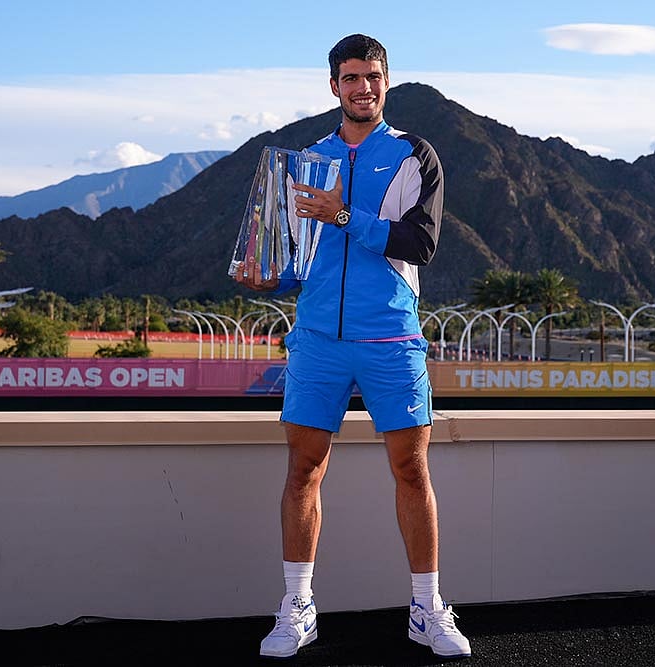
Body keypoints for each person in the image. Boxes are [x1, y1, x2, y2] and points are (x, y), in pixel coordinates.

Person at [235, 33, 471, 660]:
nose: (362, 87)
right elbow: (297, 262)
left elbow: (419, 244)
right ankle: (297, 608)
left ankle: (426, 609)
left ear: (386, 83)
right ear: (333, 86)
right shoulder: (307, 159)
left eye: (373, 77)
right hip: (316, 341)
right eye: (351, 77)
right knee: (303, 472)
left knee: (411, 470)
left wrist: (346, 216)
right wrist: (267, 274)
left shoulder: (414, 155)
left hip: (392, 336)